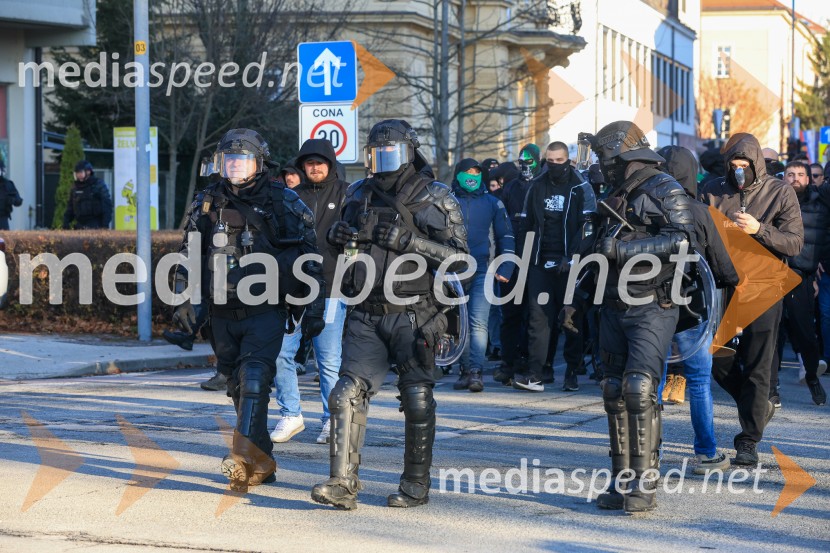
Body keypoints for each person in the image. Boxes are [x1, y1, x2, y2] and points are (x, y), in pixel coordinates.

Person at [311, 119, 468, 510]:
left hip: (416, 313)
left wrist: (411, 242)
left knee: (416, 398)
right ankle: (341, 484)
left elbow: (461, 262)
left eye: (391, 154)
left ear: (409, 153)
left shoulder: (435, 196)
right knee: (345, 392)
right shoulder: (359, 192)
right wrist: (339, 237)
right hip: (365, 310)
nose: (382, 162)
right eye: (375, 154)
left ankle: (415, 485)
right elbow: (340, 239)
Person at [173, 128, 326, 492]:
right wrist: (183, 304)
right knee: (239, 388)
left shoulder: (283, 200)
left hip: (266, 309)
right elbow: (188, 254)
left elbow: (311, 257)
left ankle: (241, 458)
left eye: (242, 160)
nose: (235, 167)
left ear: (259, 163)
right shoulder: (206, 201)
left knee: (256, 379)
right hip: (222, 313)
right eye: (229, 160)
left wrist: (314, 307)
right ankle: (264, 460)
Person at [588, 121, 696, 513]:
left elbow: (683, 240)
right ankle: (621, 482)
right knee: (613, 391)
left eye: (604, 156)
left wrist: (624, 251)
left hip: (654, 302)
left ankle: (644, 485)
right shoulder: (609, 193)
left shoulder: (664, 187)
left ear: (622, 154)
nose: (601, 164)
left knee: (638, 388)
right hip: (612, 301)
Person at [699, 133, 803, 466]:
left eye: (745, 165)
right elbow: (698, 234)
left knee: (760, 363)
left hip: (765, 284)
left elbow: (794, 243)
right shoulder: (713, 190)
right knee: (716, 356)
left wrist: (759, 229)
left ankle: (748, 440)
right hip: (724, 284)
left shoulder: (779, 191)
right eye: (734, 165)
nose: (739, 171)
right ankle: (757, 403)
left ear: (757, 164)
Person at [657, 145, 740, 473]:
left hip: (652, 305)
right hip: (694, 306)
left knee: (650, 379)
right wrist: (731, 283)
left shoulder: (649, 207)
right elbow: (722, 264)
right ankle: (706, 453)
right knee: (700, 381)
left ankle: (650, 450)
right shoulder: (700, 211)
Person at [271, 138, 350, 445]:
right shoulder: (291, 197)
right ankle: (291, 415)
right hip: (294, 289)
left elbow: (360, 237)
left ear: (330, 164)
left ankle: (332, 419)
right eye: (309, 163)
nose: (314, 167)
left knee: (328, 359)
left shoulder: (346, 194)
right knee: (281, 353)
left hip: (331, 288)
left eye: (320, 162)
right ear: (302, 166)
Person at [513, 141, 595, 392]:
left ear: (567, 159)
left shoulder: (581, 186)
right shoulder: (537, 185)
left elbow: (588, 227)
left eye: (559, 161)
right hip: (540, 261)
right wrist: (524, 260)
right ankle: (536, 374)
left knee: (570, 319)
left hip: (570, 262)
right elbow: (526, 225)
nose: (554, 165)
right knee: (538, 319)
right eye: (550, 161)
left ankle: (571, 372)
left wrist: (574, 258)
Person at [450, 158, 515, 392]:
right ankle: (465, 371)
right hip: (452, 271)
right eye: (467, 171)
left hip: (482, 269)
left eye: (476, 172)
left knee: (478, 322)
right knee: (459, 324)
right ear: (458, 174)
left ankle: (476, 372)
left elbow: (505, 237)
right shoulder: (447, 201)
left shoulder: (493, 203)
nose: (471, 175)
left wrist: (505, 267)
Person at [772, 161, 828, 406]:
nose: (795, 178)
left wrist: (818, 264)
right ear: (783, 178)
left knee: (805, 334)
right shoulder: (774, 200)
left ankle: (813, 379)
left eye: (801, 175)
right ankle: (772, 386)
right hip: (773, 274)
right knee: (773, 334)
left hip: (802, 276)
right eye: (790, 174)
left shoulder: (821, 202)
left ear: (810, 179)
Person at [494, 145, 542, 385]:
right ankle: (508, 361)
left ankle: (531, 362)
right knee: (510, 314)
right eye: (521, 161)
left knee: (535, 315)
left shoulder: (543, 185)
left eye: (529, 161)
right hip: (512, 259)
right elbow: (501, 224)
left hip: (536, 259)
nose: (525, 166)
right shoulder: (511, 188)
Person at [63, 161, 112, 229]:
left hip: (96, 224)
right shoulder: (75, 187)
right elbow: (70, 207)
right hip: (80, 224)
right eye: (77, 173)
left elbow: (107, 206)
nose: (78, 175)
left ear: (88, 172)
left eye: (80, 172)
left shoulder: (98, 184)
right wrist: (66, 222)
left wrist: (105, 225)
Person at [0, 160, 23, 231]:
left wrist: (12, 200)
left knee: (3, 240)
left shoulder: (8, 184)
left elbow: (18, 201)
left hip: (2, 218)